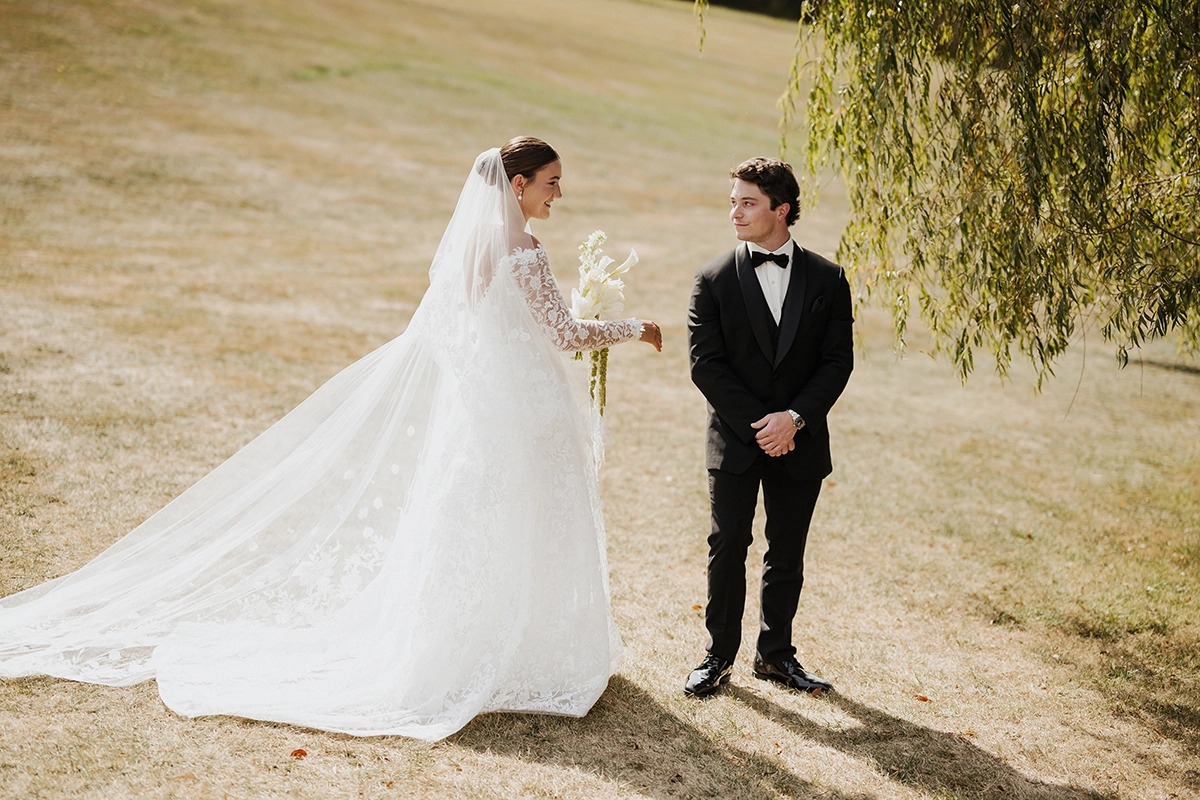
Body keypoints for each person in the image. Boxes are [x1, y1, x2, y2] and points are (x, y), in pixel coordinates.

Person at [0, 137, 662, 740]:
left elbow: (464, 330)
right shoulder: (522, 250)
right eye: (551, 182)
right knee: (521, 520)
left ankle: (474, 645)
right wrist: (630, 327)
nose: (558, 194)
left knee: (476, 521)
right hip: (522, 408)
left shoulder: (471, 247)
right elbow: (564, 335)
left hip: (487, 408)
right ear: (517, 186)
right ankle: (519, 651)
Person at [684, 157, 852, 698]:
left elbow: (836, 361)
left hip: (800, 439)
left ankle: (776, 656)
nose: (735, 211)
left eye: (747, 202)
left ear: (781, 210)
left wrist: (795, 419)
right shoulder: (711, 278)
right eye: (733, 200)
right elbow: (705, 365)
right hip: (736, 439)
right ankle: (717, 656)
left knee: (787, 549)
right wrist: (762, 425)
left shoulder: (828, 278)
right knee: (728, 542)